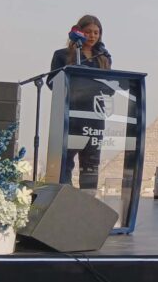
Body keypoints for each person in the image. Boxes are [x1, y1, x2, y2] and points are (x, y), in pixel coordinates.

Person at [47, 15, 113, 191]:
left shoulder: (103, 58)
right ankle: (64, 198)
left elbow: (110, 88)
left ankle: (87, 202)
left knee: (91, 164)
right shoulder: (62, 55)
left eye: (96, 32)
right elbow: (52, 83)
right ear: (79, 32)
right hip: (71, 116)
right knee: (65, 162)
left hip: (95, 118)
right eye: (88, 32)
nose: (92, 36)